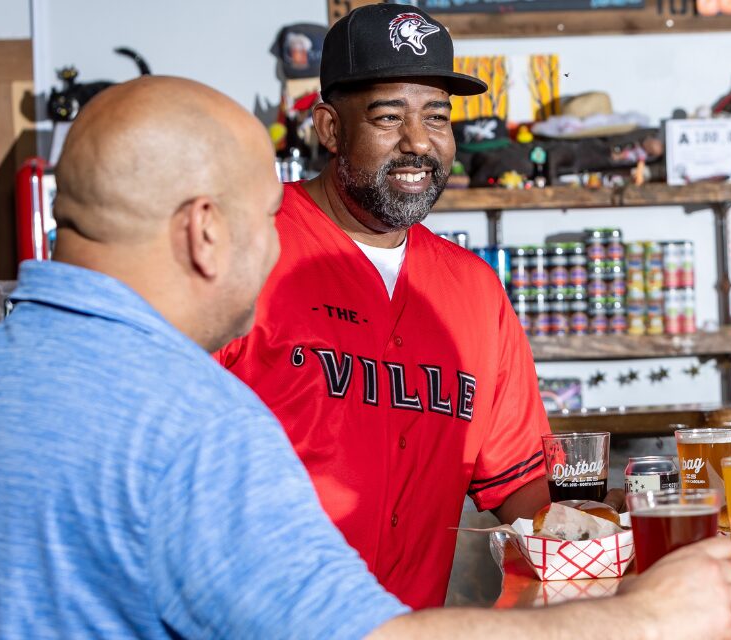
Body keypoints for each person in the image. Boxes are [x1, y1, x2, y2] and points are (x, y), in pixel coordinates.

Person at [0, 75, 731, 639]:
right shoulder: (191, 425)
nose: (281, 240)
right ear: (204, 231)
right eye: (270, 214)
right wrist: (645, 616)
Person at [216, 5, 550, 608]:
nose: (418, 143)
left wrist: (597, 535)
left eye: (437, 117)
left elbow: (520, 485)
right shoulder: (244, 249)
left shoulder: (475, 290)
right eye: (388, 116)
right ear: (329, 128)